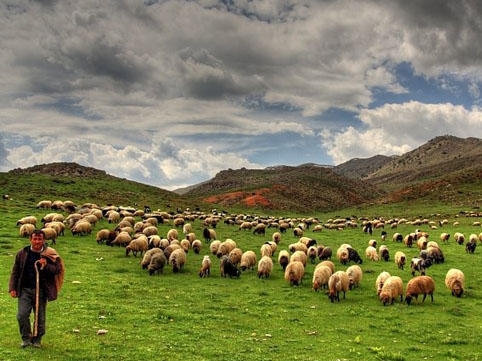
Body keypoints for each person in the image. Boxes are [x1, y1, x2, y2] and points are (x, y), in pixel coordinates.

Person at [9, 230, 65, 348]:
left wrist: (46, 265)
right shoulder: (22, 253)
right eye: (35, 239)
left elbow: (57, 270)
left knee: (40, 316)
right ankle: (26, 338)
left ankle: (37, 339)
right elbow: (15, 271)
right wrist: (12, 287)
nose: (37, 242)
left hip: (41, 290)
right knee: (22, 315)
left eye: (40, 239)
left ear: (43, 240)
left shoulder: (49, 253)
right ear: (30, 239)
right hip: (25, 289)